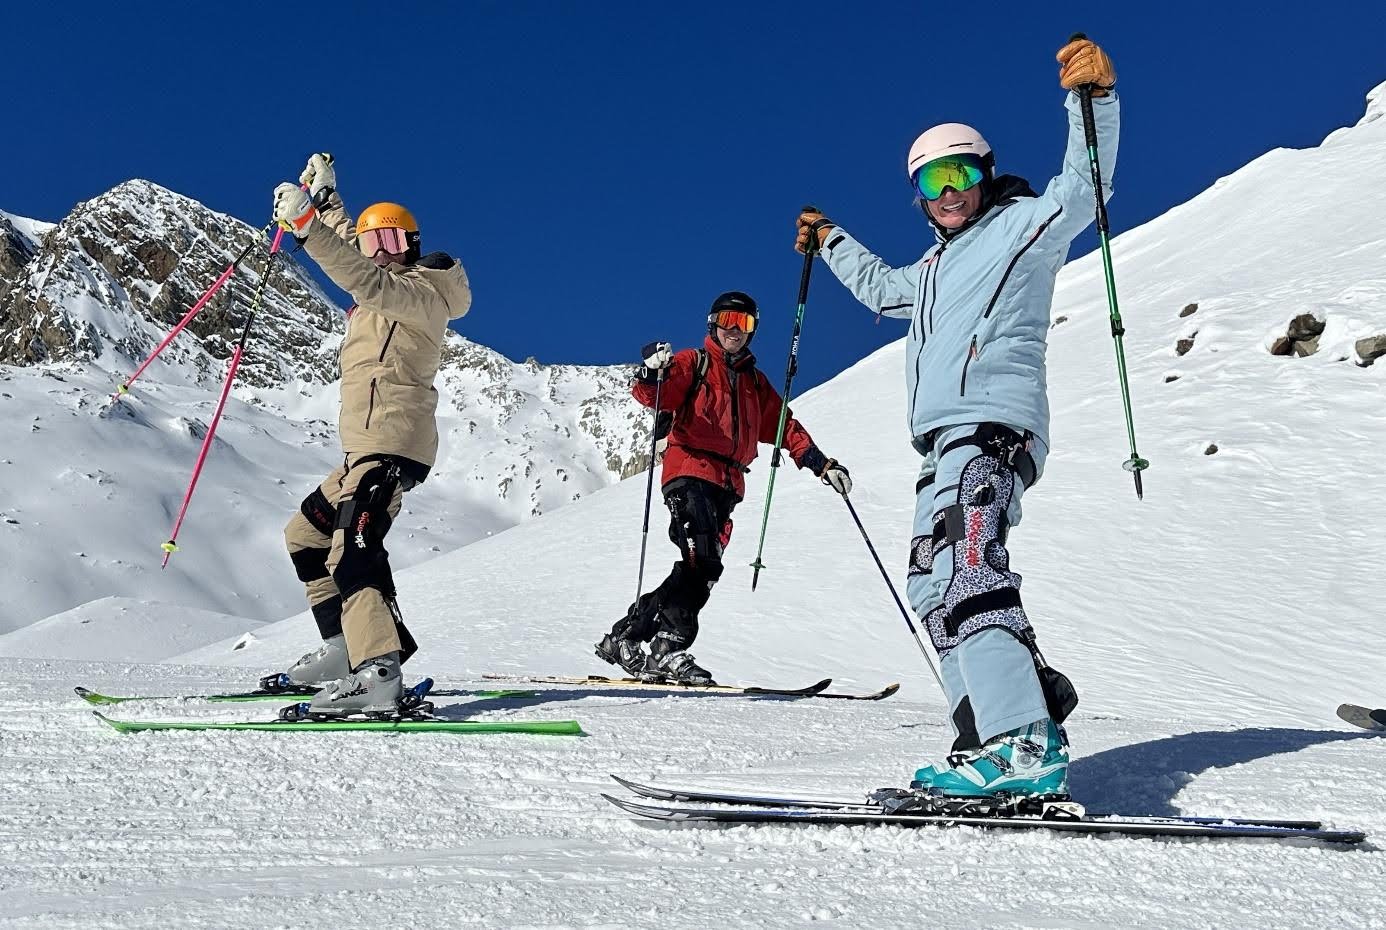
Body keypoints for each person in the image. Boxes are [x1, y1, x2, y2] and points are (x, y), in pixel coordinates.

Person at [793, 37, 1118, 801]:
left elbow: (1083, 190)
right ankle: (990, 727)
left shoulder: (1021, 229)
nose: (948, 190)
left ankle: (1022, 743)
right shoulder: (933, 270)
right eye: (932, 179)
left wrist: (1092, 101)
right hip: (938, 446)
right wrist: (832, 239)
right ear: (919, 192)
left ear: (983, 173)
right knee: (932, 588)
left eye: (961, 173)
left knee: (972, 568)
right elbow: (882, 290)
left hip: (993, 428)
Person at [268, 153, 472, 717]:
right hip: (362, 451)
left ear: (411, 243)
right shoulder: (374, 287)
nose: (379, 249)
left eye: (392, 239)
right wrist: (327, 201)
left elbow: (361, 274)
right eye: (372, 240)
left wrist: (306, 226)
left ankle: (379, 671)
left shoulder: (421, 295)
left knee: (355, 551)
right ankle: (342, 649)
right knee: (304, 538)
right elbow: (349, 252)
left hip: (392, 445)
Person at [596, 291, 852, 684]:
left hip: (727, 485)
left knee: (699, 570)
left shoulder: (754, 383)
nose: (736, 330)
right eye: (729, 320)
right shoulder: (692, 363)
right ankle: (668, 647)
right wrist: (652, 371)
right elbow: (653, 394)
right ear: (713, 323)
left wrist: (819, 463)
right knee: (704, 560)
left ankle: (626, 636)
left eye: (745, 323)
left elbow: (785, 426)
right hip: (689, 472)